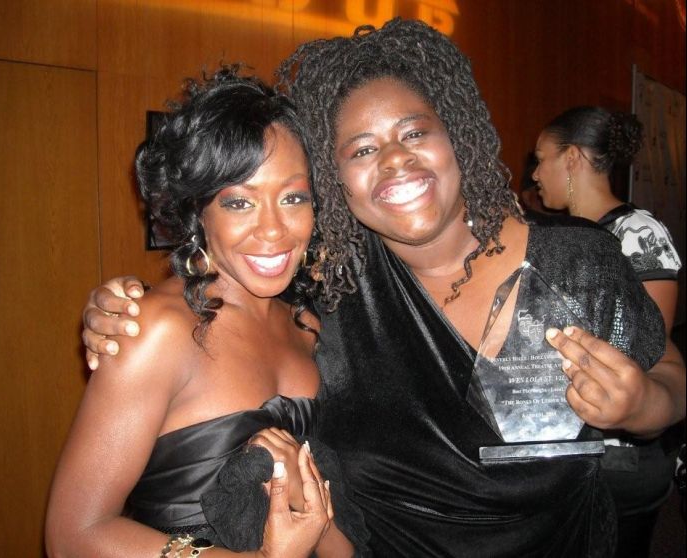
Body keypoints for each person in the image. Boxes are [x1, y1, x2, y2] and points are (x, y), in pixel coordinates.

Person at [79, 20, 686, 557]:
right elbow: (228, 300)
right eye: (363, 149)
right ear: (335, 180)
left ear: (456, 135)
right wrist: (124, 308)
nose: (394, 159)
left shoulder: (580, 260)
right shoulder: (332, 286)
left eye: (414, 133)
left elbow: (670, 375)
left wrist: (644, 405)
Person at [45, 69, 364, 558]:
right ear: (198, 212)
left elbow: (326, 529)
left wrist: (313, 516)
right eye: (239, 202)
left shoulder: (306, 326)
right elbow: (74, 535)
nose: (273, 230)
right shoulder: (157, 329)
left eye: (293, 198)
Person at [533, 105, 684, 558]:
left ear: (572, 158)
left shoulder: (636, 232)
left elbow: (649, 351)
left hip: (620, 452)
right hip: (565, 445)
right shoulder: (556, 233)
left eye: (540, 159)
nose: (535, 174)